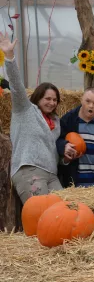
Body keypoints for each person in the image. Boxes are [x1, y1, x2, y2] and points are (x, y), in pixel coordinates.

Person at [1, 32, 63, 203]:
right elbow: (16, 87)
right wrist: (10, 57)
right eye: (47, 98)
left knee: (66, 210)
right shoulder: (26, 110)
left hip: (51, 174)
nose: (51, 103)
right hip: (29, 171)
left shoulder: (56, 122)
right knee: (42, 214)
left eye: (55, 100)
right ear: (38, 97)